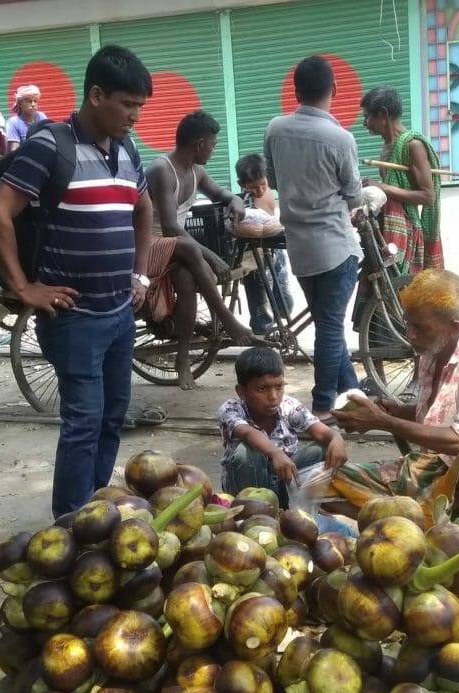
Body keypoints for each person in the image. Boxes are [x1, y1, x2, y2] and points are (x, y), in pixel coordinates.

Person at [0, 45, 153, 519]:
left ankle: (96, 509)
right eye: (127, 104)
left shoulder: (127, 149)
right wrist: (24, 287)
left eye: (140, 106)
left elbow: (143, 209)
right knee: (84, 421)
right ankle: (71, 525)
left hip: (119, 312)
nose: (134, 116)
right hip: (73, 318)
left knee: (112, 416)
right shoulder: (49, 145)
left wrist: (139, 273)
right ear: (96, 95)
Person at [330, 270, 459, 547]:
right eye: (408, 325)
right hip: (434, 465)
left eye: (420, 328)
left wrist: (384, 422)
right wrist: (391, 412)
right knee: (325, 483)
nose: (410, 335)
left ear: (455, 327)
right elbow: (435, 415)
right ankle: (410, 532)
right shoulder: (431, 350)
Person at [264, 55, 363, 424]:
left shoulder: (275, 128)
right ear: (333, 90)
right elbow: (354, 195)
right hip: (336, 248)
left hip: (301, 250)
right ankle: (323, 405)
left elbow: (273, 180)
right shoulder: (340, 137)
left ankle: (350, 392)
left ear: (296, 91)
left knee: (326, 323)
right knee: (330, 327)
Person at [145, 110, 266, 390]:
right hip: (146, 245)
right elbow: (169, 227)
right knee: (188, 244)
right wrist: (211, 257)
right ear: (199, 143)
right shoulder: (162, 169)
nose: (213, 150)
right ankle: (228, 320)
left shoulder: (196, 171)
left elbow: (220, 194)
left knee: (187, 279)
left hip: (176, 248)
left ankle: (183, 359)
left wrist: (234, 199)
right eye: (212, 144)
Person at [219, 347, 347, 509]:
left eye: (279, 387)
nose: (273, 397)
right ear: (241, 392)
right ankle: (253, 513)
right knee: (246, 452)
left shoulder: (289, 406)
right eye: (262, 389)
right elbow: (249, 433)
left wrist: (337, 439)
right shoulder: (231, 409)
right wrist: (275, 452)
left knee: (322, 449)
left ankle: (299, 506)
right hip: (247, 486)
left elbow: (323, 432)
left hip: (284, 481)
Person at [360, 85, 443, 273]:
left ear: (383, 114)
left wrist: (382, 187)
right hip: (386, 225)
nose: (365, 123)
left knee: (402, 290)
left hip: (406, 231)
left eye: (368, 117)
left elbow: (427, 196)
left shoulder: (412, 145)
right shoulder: (388, 146)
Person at [235, 154, 294, 336]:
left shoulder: (267, 192)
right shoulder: (241, 200)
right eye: (253, 187)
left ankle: (280, 319)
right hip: (254, 255)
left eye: (263, 185)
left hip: (273, 249)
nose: (260, 190)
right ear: (242, 184)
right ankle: (263, 331)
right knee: (259, 295)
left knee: (283, 295)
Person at [5, 84, 47, 152]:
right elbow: (14, 150)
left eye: (35, 101)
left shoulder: (41, 116)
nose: (33, 104)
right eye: (29, 101)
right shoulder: (13, 123)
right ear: (20, 104)